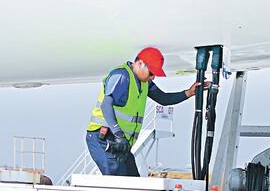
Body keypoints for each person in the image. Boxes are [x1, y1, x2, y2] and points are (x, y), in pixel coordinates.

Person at [85, 47, 204, 176]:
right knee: (121, 185)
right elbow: (106, 105)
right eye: (151, 73)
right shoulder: (121, 76)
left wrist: (188, 93)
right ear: (140, 63)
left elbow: (163, 99)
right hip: (104, 138)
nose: (153, 78)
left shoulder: (144, 82)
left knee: (134, 183)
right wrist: (118, 134)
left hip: (120, 142)